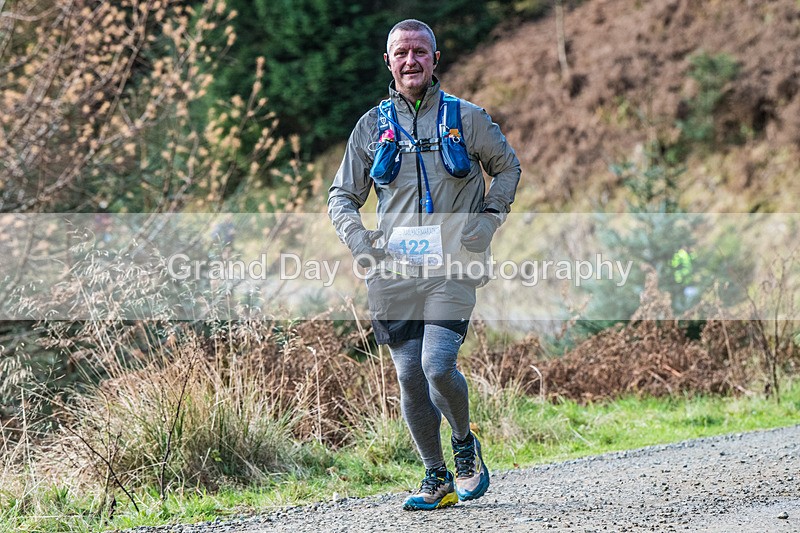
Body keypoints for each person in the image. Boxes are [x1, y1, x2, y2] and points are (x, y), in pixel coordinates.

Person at [328, 19, 521, 511]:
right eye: (401, 53)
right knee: (410, 377)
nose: (410, 60)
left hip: (454, 265)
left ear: (435, 60)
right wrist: (358, 240)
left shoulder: (467, 117)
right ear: (388, 62)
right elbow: (342, 196)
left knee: (437, 365)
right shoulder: (371, 126)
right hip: (393, 271)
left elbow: (507, 167)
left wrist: (491, 217)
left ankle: (464, 446)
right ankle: (435, 477)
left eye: (420, 51)